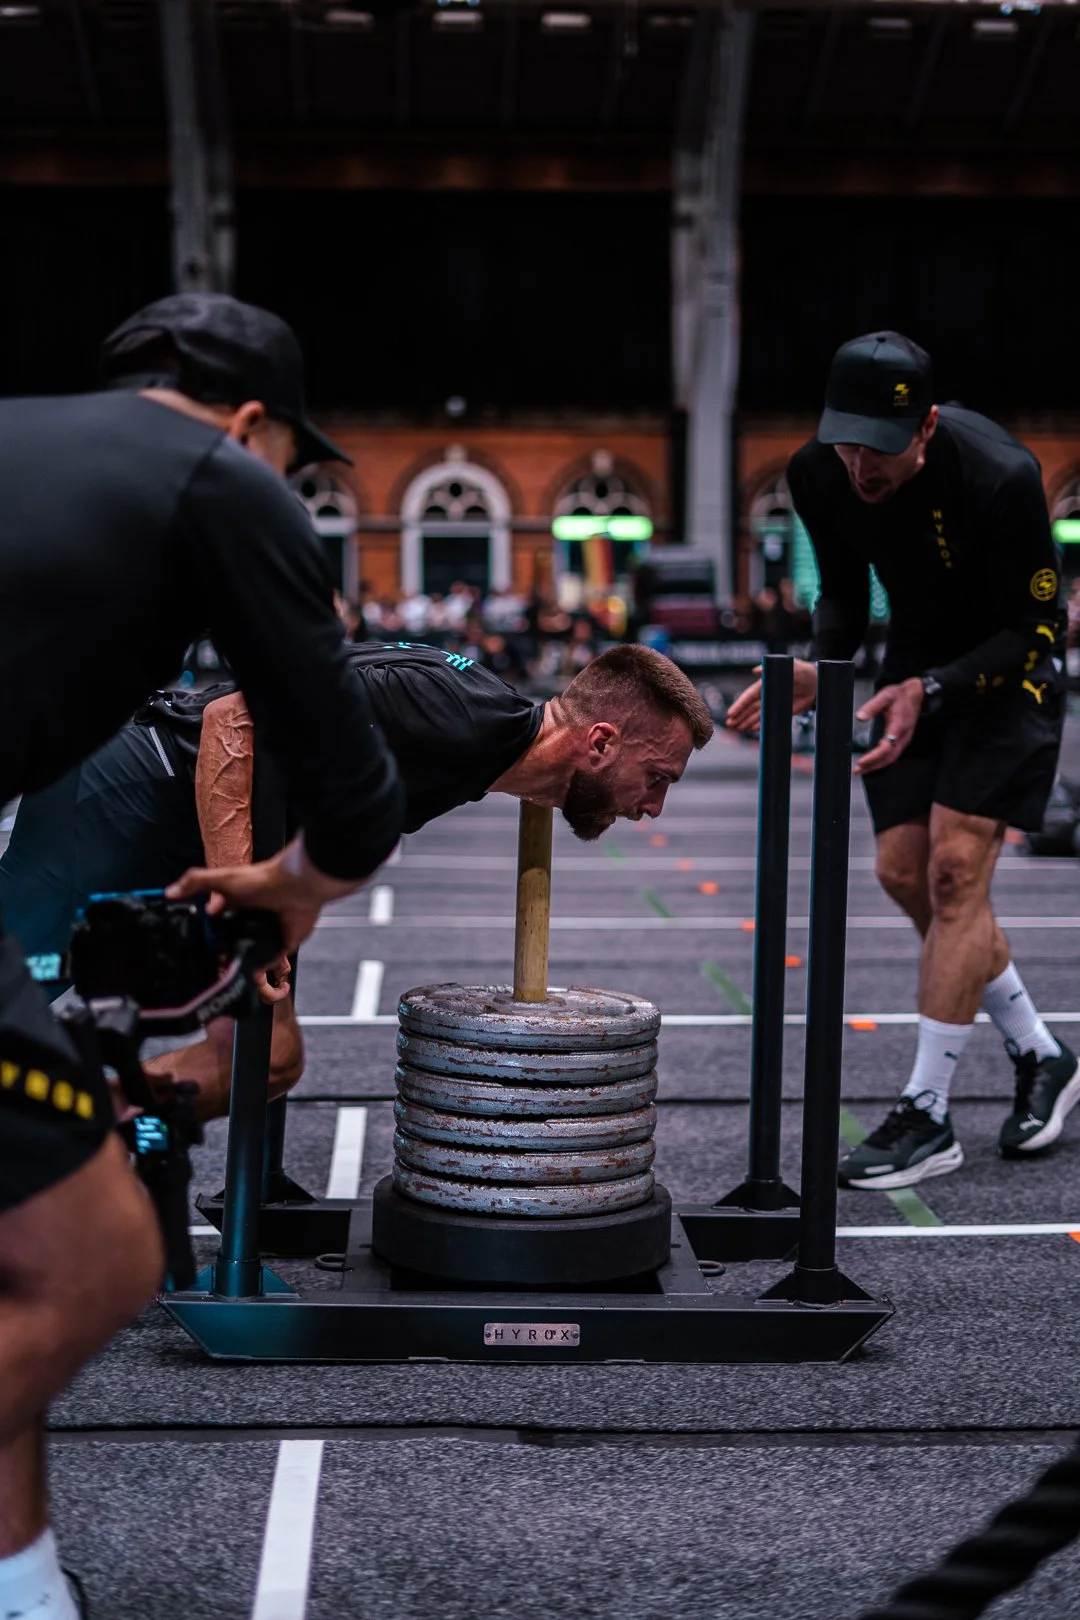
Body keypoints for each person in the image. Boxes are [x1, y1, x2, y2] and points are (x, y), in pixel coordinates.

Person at [0, 291, 405, 1619]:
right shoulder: (222, 480)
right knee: (96, 1257)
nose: (289, 485)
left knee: (23, 1252)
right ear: (248, 424)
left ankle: (27, 1586)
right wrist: (287, 889)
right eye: (292, 458)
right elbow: (351, 796)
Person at [1, 643, 713, 1124]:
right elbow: (233, 718)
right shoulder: (461, 715)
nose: (652, 807)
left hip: (194, 822)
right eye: (657, 780)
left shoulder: (491, 740)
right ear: (600, 743)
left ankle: (56, 1126)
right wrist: (240, 906)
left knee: (265, 1060)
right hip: (129, 786)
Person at [727, 330, 1072, 1190]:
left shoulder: (1002, 475)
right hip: (911, 664)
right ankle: (1041, 1052)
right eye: (846, 440)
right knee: (901, 872)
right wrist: (821, 671)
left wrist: (937, 688)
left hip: (1007, 674)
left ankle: (927, 1111)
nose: (859, 465)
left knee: (958, 874)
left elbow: (1038, 627)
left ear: (925, 428)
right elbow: (843, 593)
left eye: (879, 447)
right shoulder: (818, 471)